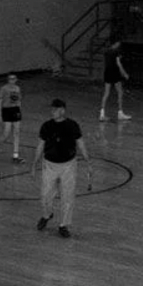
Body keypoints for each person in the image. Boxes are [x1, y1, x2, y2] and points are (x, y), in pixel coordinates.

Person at [32, 98, 90, 239]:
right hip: (49, 165)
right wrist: (34, 163)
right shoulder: (46, 126)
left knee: (68, 196)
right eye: (51, 109)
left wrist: (88, 162)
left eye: (55, 109)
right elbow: (40, 145)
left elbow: (80, 144)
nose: (52, 112)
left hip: (68, 165)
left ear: (62, 110)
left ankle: (63, 225)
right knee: (45, 195)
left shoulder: (72, 125)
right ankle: (47, 214)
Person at [0, 73, 25, 163]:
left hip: (16, 110)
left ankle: (15, 156)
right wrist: (0, 114)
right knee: (6, 133)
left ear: (16, 79)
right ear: (8, 80)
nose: (12, 80)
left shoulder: (17, 88)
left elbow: (18, 100)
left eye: (14, 78)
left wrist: (19, 111)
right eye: (10, 79)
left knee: (16, 133)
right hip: (6, 111)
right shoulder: (3, 88)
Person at [99, 39, 131, 122]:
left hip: (107, 72)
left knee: (106, 93)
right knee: (120, 92)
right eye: (118, 43)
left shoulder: (106, 52)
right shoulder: (116, 52)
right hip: (114, 73)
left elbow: (105, 63)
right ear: (115, 43)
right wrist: (124, 73)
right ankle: (120, 113)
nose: (119, 45)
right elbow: (118, 64)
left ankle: (101, 114)